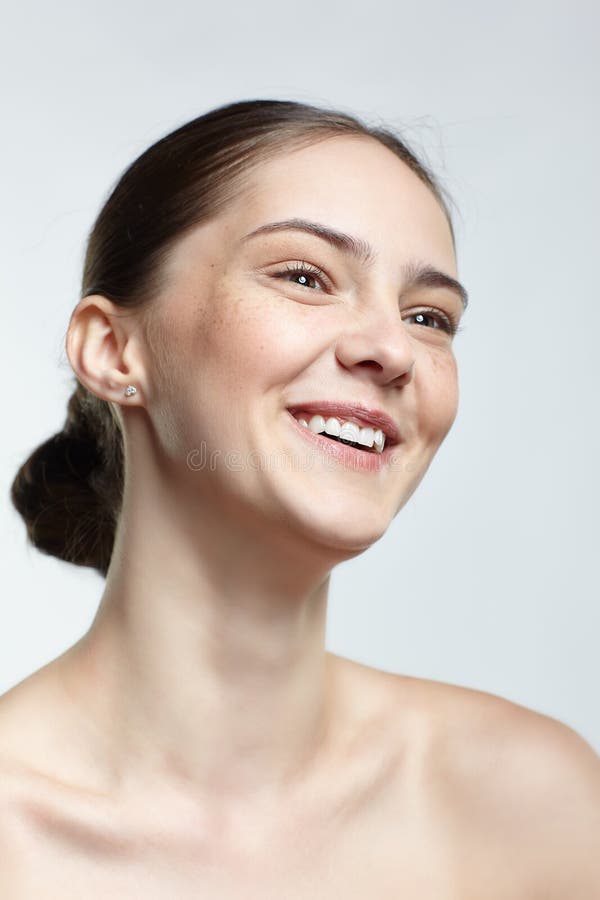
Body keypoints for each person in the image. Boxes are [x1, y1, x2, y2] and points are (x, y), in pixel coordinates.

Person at [4, 98, 599, 896]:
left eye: (429, 317)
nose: (393, 350)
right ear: (114, 350)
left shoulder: (536, 805)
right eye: (305, 276)